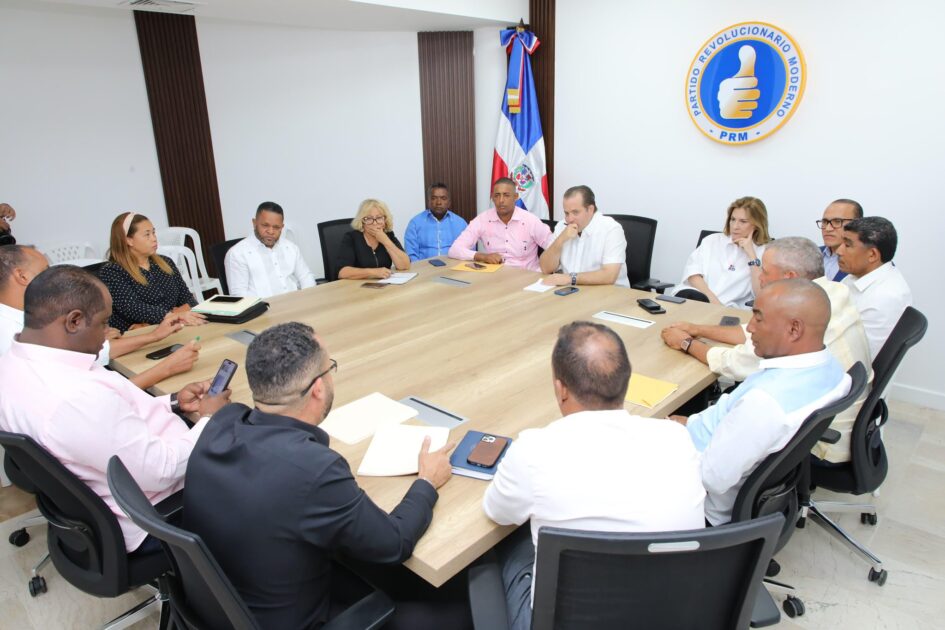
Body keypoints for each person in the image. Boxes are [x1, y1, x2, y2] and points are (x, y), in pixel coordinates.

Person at [183, 322, 458, 629]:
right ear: (318, 388)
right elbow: (394, 544)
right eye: (330, 368)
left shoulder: (220, 422)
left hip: (228, 603)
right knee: (461, 608)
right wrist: (427, 481)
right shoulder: (314, 469)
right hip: (291, 619)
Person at [483, 321, 705, 630]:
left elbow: (497, 512)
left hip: (562, 622)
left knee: (503, 546)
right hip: (669, 616)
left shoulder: (533, 449)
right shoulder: (676, 438)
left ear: (561, 390)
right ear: (627, 381)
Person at [0, 265, 230, 552]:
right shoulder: (75, 398)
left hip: (131, 470)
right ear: (73, 321)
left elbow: (112, 421)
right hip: (159, 509)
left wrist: (174, 403)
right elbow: (162, 470)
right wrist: (209, 418)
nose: (107, 335)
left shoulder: (14, 362)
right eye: (103, 323)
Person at [661, 237, 872, 462]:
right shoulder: (832, 293)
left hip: (815, 447)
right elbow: (750, 331)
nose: (760, 277)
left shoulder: (795, 323)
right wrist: (697, 329)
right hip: (835, 426)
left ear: (789, 277)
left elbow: (734, 363)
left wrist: (686, 343)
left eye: (765, 271)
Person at [675, 279, 851, 525]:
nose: (750, 329)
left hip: (700, 501)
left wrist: (670, 440)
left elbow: (710, 478)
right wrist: (691, 423)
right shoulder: (831, 369)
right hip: (714, 443)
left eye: (758, 318)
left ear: (794, 329)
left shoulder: (764, 403)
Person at [0, 244, 200, 389]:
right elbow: (97, 398)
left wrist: (153, 336)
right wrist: (166, 368)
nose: (51, 279)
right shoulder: (20, 335)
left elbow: (101, 352)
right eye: (45, 271)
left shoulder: (25, 320)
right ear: (22, 276)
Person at [99, 212, 206, 333]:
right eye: (147, 235)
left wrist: (172, 316)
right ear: (128, 240)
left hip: (174, 328)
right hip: (138, 336)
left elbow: (189, 300)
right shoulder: (112, 271)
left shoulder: (166, 262)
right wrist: (173, 315)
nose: (154, 238)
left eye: (153, 233)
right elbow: (132, 308)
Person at [670, 196, 772, 307]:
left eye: (743, 221)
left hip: (729, 308)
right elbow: (693, 275)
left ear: (757, 225)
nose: (735, 226)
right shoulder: (712, 240)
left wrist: (752, 256)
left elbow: (760, 294)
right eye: (733, 219)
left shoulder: (765, 252)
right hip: (696, 298)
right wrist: (714, 303)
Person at [837, 216, 913, 359]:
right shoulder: (856, 275)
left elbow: (858, 358)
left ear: (872, 255)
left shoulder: (885, 298)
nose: (839, 251)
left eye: (847, 245)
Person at [448, 178, 554, 272]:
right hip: (495, 276)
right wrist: (482, 256)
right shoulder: (482, 219)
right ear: (492, 198)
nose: (501, 200)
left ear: (515, 197)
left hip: (527, 276)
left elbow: (554, 247)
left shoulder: (530, 221)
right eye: (497, 195)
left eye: (506, 195)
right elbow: (454, 250)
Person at [538, 185, 629, 287]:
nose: (569, 219)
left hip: (611, 292)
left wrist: (569, 278)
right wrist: (561, 239)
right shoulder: (562, 226)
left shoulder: (611, 229)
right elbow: (545, 268)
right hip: (573, 290)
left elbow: (609, 275)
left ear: (590, 209)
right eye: (566, 213)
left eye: (575, 212)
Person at [224, 201, 316, 298]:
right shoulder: (237, 254)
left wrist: (307, 300)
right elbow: (239, 297)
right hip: (263, 306)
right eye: (265, 225)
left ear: (282, 227)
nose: (271, 231)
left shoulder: (290, 247)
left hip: (295, 302)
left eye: (276, 227)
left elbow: (306, 277)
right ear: (254, 223)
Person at [336, 199, 411, 280]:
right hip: (356, 286)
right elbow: (342, 272)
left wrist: (386, 241)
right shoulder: (351, 238)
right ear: (362, 221)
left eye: (379, 218)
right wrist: (373, 272)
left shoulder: (388, 235)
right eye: (368, 218)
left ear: (385, 220)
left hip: (383, 284)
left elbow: (405, 266)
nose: (375, 223)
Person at [404, 183, 468, 262]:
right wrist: (421, 268)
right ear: (429, 201)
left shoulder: (461, 224)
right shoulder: (415, 223)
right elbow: (411, 254)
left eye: (443, 198)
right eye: (434, 198)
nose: (438, 202)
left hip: (454, 267)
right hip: (424, 268)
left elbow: (468, 251)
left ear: (449, 202)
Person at [817, 198, 863, 282]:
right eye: (825, 221)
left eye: (837, 221)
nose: (828, 228)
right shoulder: (810, 254)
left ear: (857, 224)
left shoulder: (866, 260)